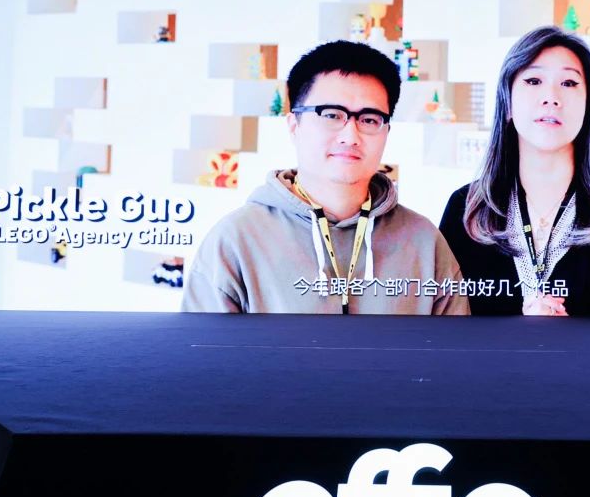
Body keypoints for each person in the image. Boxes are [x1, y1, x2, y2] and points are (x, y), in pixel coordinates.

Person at [183, 41, 468, 315]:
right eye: (331, 115)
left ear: (386, 133)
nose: (350, 136)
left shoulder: (424, 241)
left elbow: (453, 346)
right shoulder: (236, 240)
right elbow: (205, 348)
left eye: (369, 119)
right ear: (294, 125)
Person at [439, 26, 590, 317]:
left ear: (589, 105)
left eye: (569, 83)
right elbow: (439, 337)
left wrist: (574, 339)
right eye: (533, 80)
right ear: (507, 102)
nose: (551, 97)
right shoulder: (466, 209)